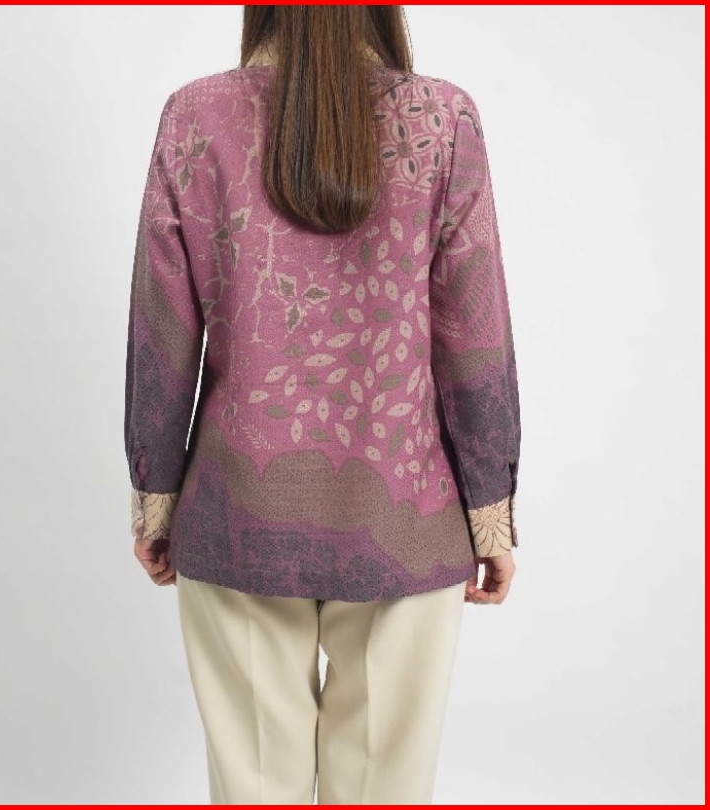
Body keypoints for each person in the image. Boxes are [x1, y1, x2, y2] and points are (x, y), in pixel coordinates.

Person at [124, 5, 521, 804]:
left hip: (238, 515)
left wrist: (155, 499)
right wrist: (492, 514)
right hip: (406, 521)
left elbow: (162, 333)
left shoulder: (195, 116)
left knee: (254, 788)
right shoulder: (442, 119)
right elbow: (474, 336)